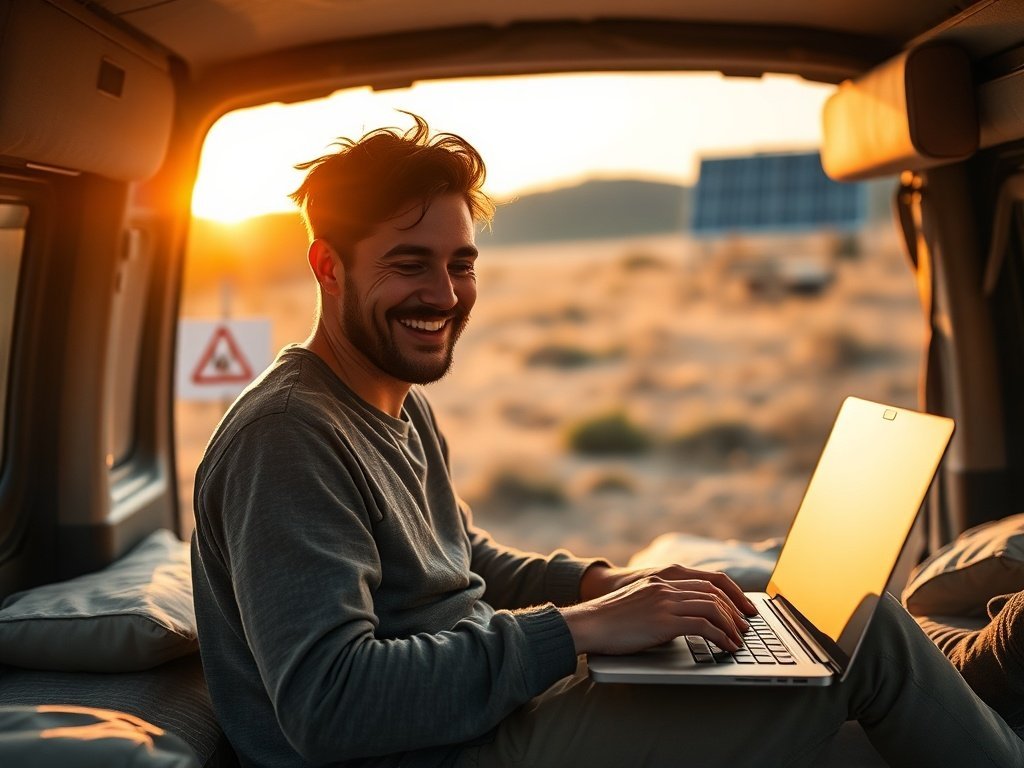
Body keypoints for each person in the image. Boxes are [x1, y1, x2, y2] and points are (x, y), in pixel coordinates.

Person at [190, 115, 1024, 768]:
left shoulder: (391, 401)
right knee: (864, 638)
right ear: (327, 267)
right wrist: (580, 629)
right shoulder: (288, 439)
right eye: (409, 264)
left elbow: (460, 559)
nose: (443, 294)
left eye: (461, 263)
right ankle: (965, 670)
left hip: (478, 721)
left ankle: (952, 670)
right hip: (430, 755)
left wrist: (612, 582)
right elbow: (331, 703)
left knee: (777, 592)